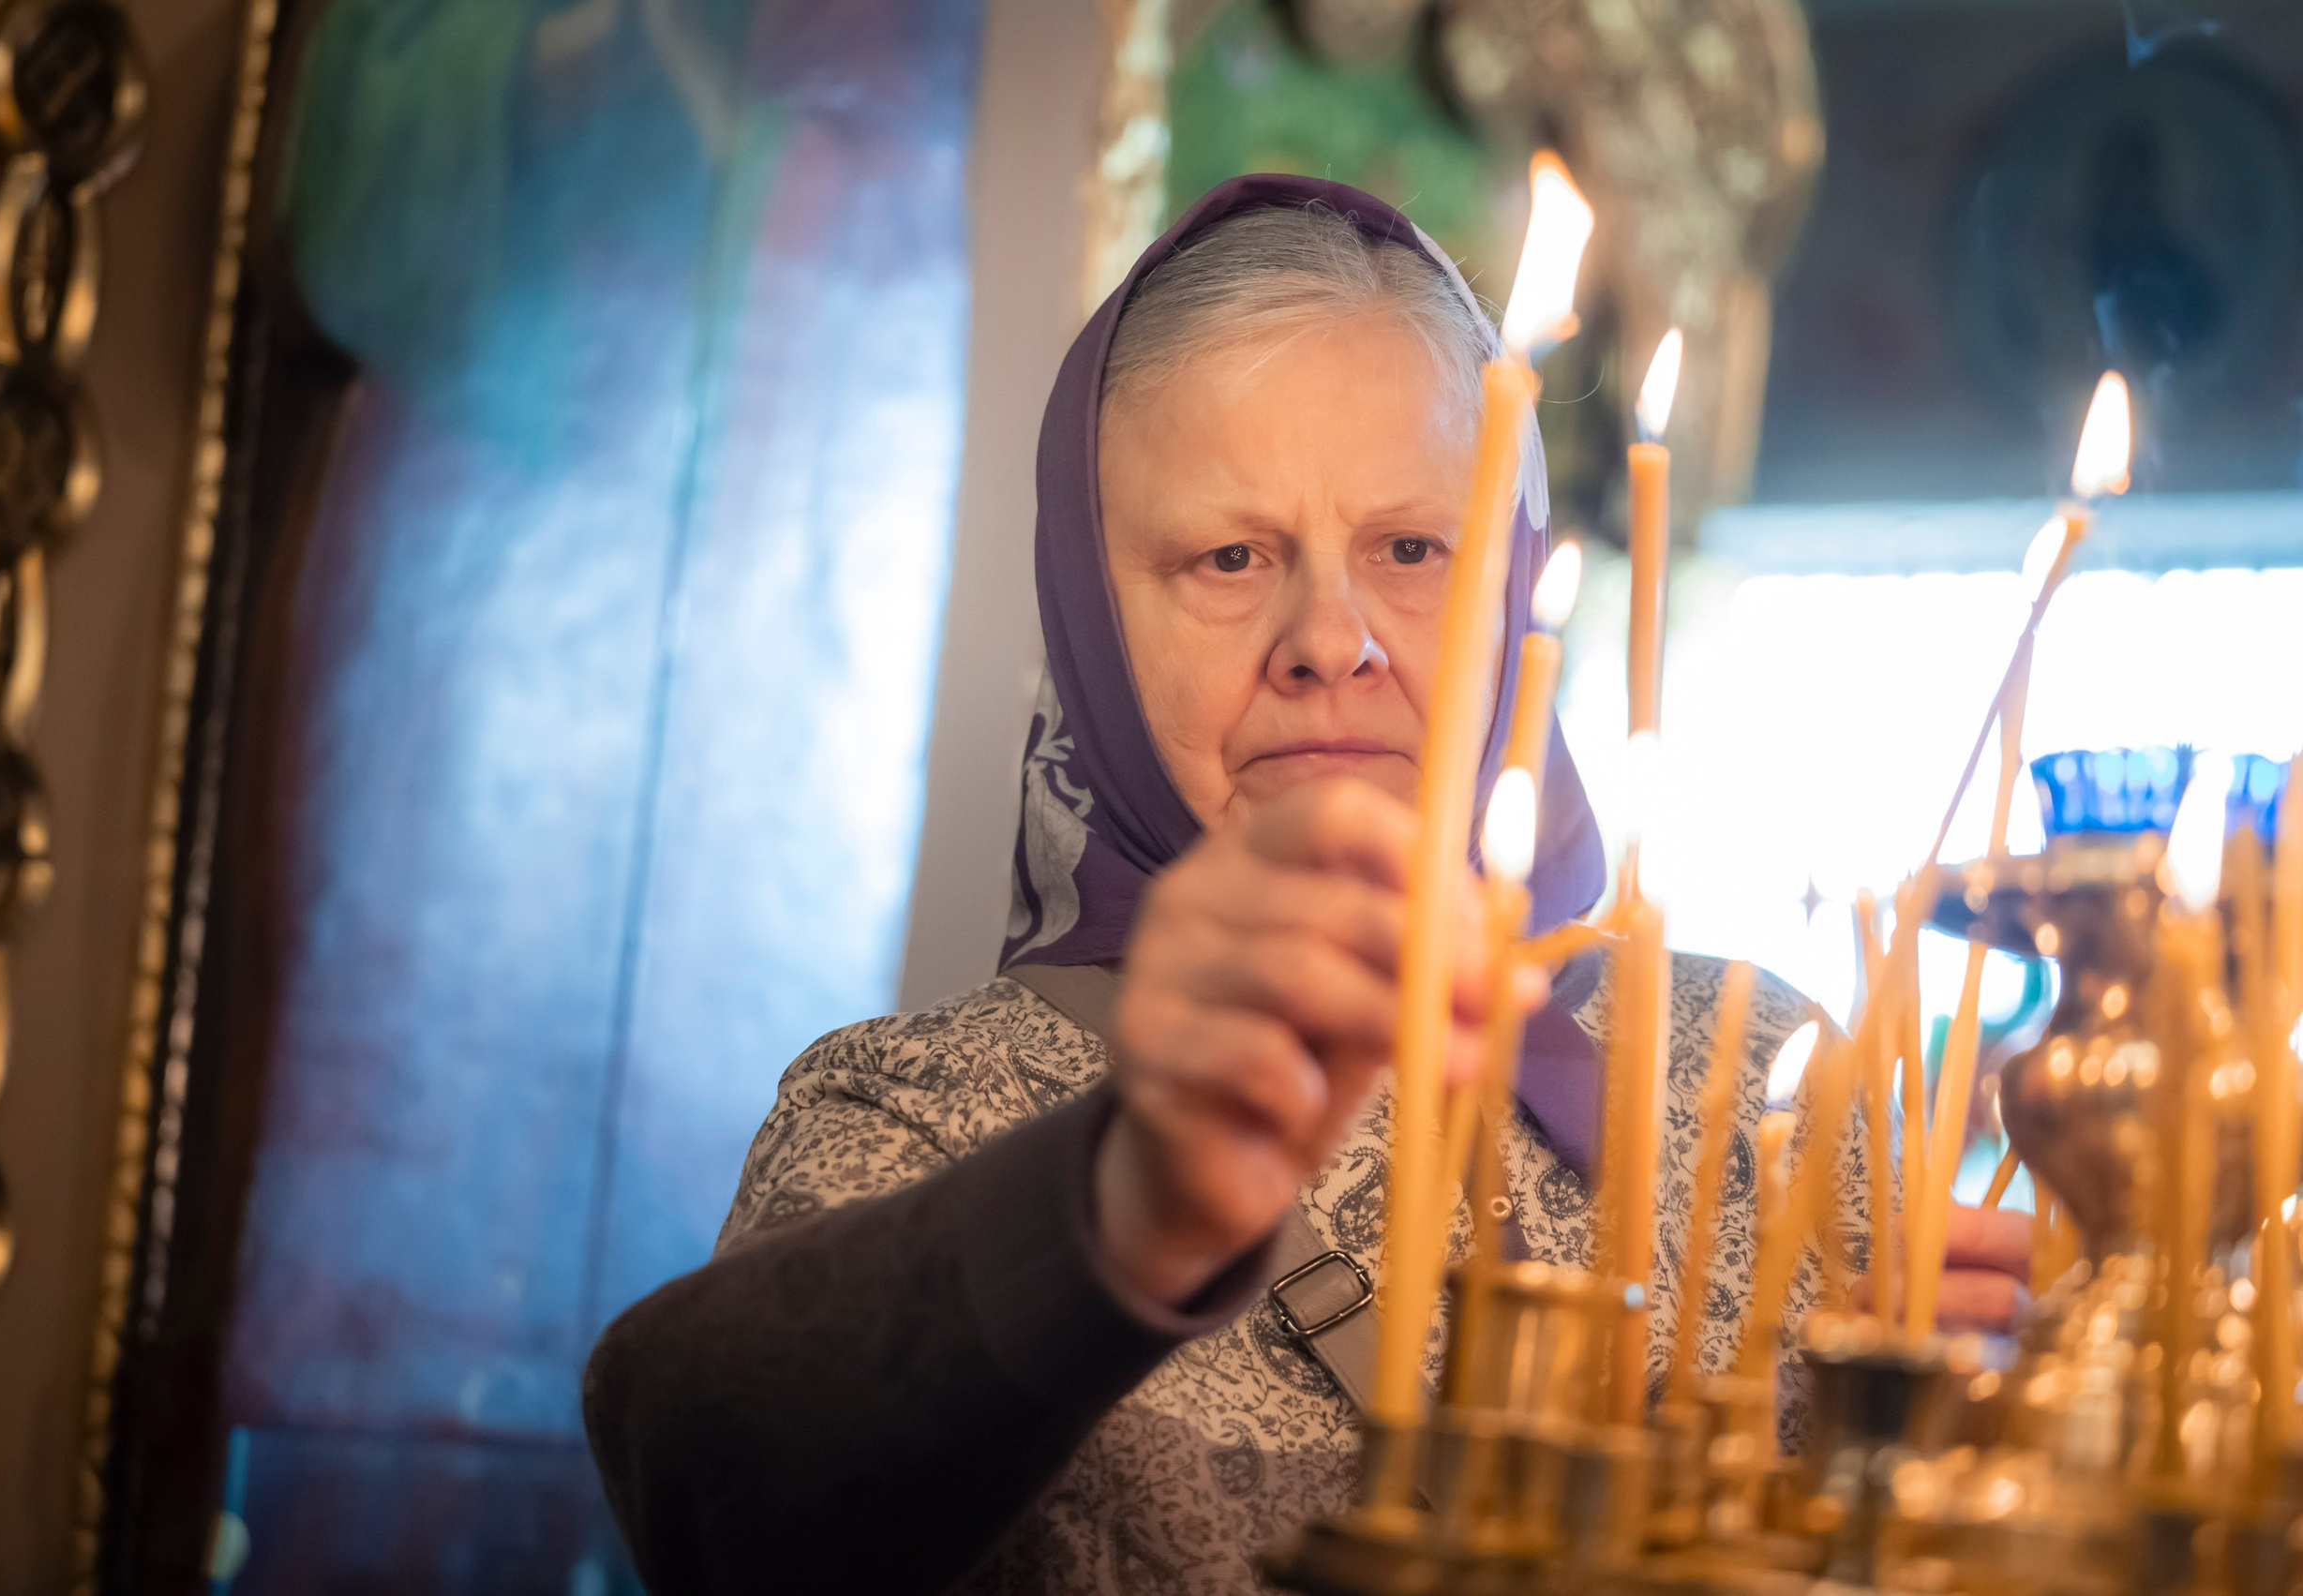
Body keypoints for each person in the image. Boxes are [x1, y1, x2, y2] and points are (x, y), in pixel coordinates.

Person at [580, 174, 2030, 1596]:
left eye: (1411, 549)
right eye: (1227, 557)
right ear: (1090, 619)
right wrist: (1126, 1203)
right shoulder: (921, 1113)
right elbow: (712, 1504)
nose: (1331, 639)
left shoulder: (1762, 1082)